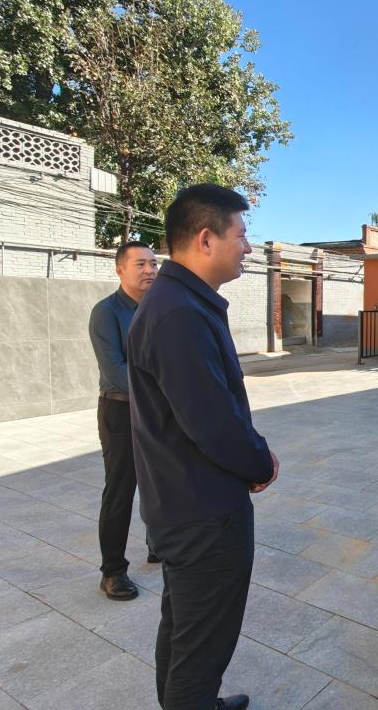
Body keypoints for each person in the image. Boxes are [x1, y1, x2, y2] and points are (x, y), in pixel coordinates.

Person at [129, 184, 279, 710]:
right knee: (200, 648)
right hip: (203, 512)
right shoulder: (179, 313)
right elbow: (212, 422)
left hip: (184, 502)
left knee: (184, 630)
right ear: (206, 239)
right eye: (241, 235)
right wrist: (259, 460)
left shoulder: (178, 302)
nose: (248, 247)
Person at [87, 240, 159, 600]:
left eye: (153, 263)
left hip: (157, 410)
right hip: (120, 410)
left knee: (159, 481)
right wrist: (163, 393)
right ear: (120, 269)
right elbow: (115, 371)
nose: (149, 270)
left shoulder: (158, 309)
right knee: (120, 490)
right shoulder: (107, 311)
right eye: (140, 264)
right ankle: (112, 571)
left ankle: (157, 544)